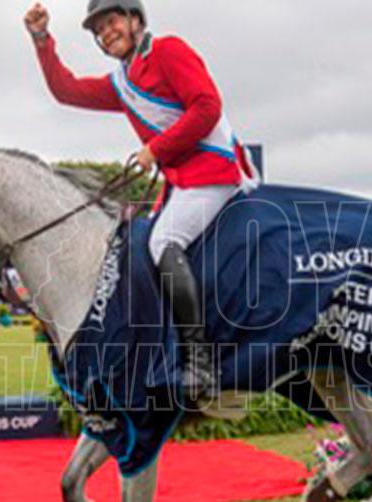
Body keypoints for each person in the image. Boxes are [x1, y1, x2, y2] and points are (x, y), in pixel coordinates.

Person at [25, 0, 255, 399]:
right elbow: (67, 90)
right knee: (134, 249)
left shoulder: (167, 50)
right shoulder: (123, 82)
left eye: (111, 21)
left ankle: (201, 363)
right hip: (180, 183)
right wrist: (42, 39)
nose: (105, 32)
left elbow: (207, 107)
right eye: (98, 29)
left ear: (134, 19)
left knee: (162, 243)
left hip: (213, 172)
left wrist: (156, 150)